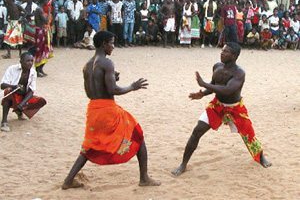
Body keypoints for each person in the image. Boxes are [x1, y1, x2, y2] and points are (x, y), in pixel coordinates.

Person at [62, 31, 160, 189]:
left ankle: (68, 180)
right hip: (108, 110)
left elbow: (90, 92)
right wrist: (132, 87)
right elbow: (114, 90)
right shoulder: (107, 63)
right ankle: (144, 178)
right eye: (111, 43)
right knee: (137, 134)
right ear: (103, 44)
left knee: (89, 146)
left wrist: (112, 79)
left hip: (93, 110)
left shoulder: (87, 65)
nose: (113, 47)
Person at [172, 43, 271, 177]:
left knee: (249, 135)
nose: (222, 53)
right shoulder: (217, 66)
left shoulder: (239, 73)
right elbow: (214, 86)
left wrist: (203, 84)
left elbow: (228, 90)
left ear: (234, 56)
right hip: (217, 105)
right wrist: (202, 93)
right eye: (222, 50)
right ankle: (183, 164)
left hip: (235, 108)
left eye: (226, 52)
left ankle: (260, 157)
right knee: (197, 131)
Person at [1, 52, 46, 132]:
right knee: (8, 93)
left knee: (41, 101)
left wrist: (22, 103)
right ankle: (4, 122)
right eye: (27, 61)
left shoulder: (33, 72)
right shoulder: (12, 69)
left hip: (23, 96)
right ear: (21, 61)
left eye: (32, 61)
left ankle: (19, 110)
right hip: (12, 94)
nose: (30, 63)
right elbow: (2, 85)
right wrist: (14, 87)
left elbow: (31, 90)